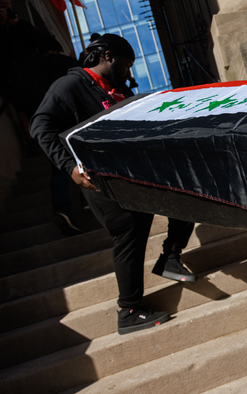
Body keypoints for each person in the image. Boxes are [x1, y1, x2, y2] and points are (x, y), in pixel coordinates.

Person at [30, 34, 196, 335]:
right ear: (108, 56)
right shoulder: (70, 85)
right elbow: (40, 126)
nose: (130, 72)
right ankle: (129, 310)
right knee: (130, 232)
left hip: (133, 173)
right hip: (102, 182)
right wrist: (70, 167)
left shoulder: (116, 89)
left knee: (186, 194)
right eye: (127, 65)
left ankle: (170, 257)